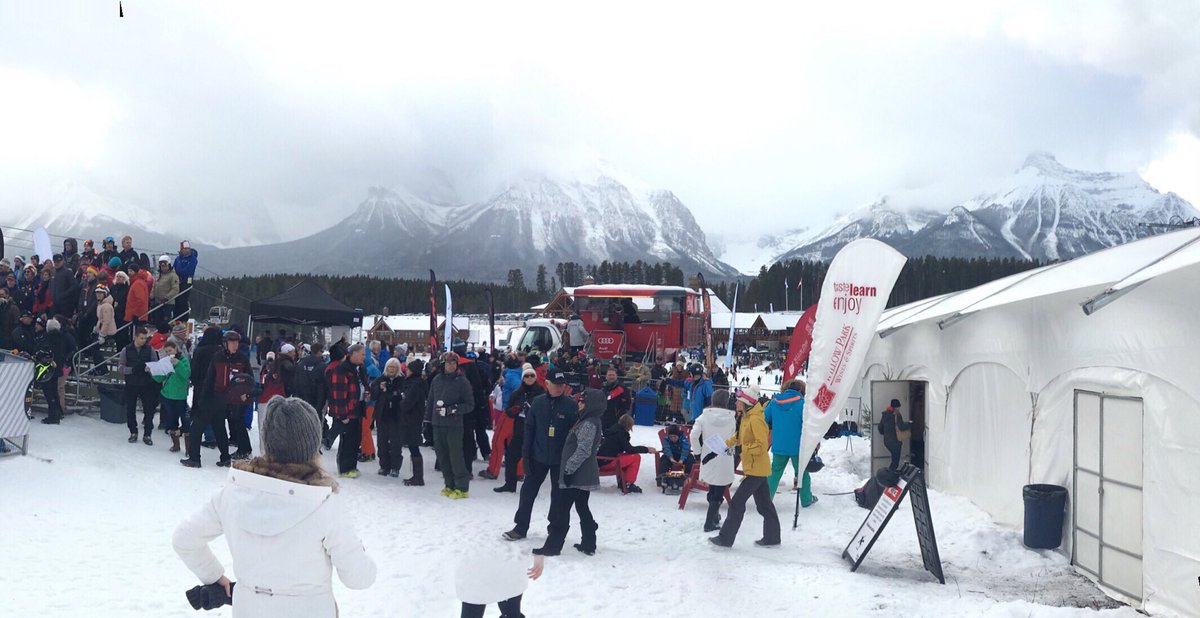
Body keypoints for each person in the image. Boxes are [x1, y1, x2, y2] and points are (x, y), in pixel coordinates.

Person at [173, 396, 377, 617]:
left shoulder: (232, 493)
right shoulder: (324, 503)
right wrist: (359, 549)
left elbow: (184, 539)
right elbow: (359, 578)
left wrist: (214, 576)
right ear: (312, 444)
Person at [503, 370, 576, 540]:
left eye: (562, 385)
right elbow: (529, 430)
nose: (559, 388)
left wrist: (571, 460)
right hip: (538, 456)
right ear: (547, 384)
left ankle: (554, 528)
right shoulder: (537, 403)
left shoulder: (570, 405)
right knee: (527, 492)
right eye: (556, 385)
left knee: (558, 496)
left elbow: (574, 435)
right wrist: (526, 457)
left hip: (560, 459)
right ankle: (520, 527)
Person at [537, 388, 605, 556]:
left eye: (583, 401)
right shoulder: (588, 420)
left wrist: (568, 470)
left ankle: (553, 546)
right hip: (582, 473)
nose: (579, 403)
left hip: (577, 475)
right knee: (582, 506)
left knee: (562, 509)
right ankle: (589, 543)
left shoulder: (588, 423)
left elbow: (583, 450)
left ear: (591, 404)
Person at [711, 387, 780, 548]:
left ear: (746, 403)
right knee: (765, 505)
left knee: (736, 503)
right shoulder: (746, 417)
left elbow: (761, 445)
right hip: (754, 468)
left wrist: (743, 449)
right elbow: (740, 437)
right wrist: (724, 444)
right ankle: (772, 537)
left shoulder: (756, 420)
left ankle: (725, 538)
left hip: (757, 469)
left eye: (738, 401)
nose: (735, 403)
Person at [426, 352, 474, 498]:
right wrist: (427, 421)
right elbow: (431, 400)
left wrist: (452, 410)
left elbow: (470, 405)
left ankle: (462, 487)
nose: (451, 366)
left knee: (455, 456)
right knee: (442, 456)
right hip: (437, 423)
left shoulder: (462, 381)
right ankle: (449, 484)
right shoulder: (436, 379)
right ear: (443, 364)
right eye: (449, 363)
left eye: (454, 363)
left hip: (454, 425)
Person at [181, 326, 230, 468]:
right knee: (220, 428)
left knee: (196, 427)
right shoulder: (222, 352)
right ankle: (225, 457)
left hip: (205, 393)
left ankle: (194, 458)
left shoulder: (201, 351)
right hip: (220, 394)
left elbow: (194, 371)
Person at [494, 367, 544, 493]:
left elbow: (545, 412)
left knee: (532, 460)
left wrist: (532, 411)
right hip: (519, 428)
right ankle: (510, 484)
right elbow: (508, 410)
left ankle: (531, 487)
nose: (529, 378)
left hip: (535, 430)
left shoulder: (540, 392)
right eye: (527, 376)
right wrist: (514, 410)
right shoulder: (517, 393)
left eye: (532, 376)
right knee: (511, 457)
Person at [764, 379, 814, 507]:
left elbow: (765, 418)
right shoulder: (803, 404)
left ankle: (766, 499)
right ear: (800, 390)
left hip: (779, 444)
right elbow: (808, 425)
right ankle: (806, 499)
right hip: (798, 446)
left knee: (774, 472)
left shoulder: (774, 402)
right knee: (802, 472)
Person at [692, 389, 737, 532]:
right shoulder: (731, 418)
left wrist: (698, 452)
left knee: (712, 486)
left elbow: (694, 435)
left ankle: (714, 517)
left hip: (708, 454)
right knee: (719, 490)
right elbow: (733, 438)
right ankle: (709, 522)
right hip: (725, 455)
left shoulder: (704, 416)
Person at [458, 554, 544, 618]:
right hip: (476, 566)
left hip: (508, 563)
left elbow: (532, 532)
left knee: (511, 614)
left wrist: (539, 554)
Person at [328, 343, 368, 478]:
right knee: (347, 441)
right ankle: (344, 469)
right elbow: (338, 394)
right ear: (354, 354)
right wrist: (342, 414)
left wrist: (366, 393)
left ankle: (352, 466)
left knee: (355, 440)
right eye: (363, 354)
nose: (364, 357)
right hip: (346, 412)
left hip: (358, 409)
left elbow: (362, 385)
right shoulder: (341, 369)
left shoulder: (359, 368)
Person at [119, 327, 160, 445]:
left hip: (147, 384)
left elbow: (155, 365)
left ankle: (147, 434)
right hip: (131, 383)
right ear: (135, 337)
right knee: (130, 409)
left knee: (149, 410)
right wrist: (132, 370)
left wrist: (149, 368)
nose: (143, 341)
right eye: (141, 338)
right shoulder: (126, 350)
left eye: (145, 338)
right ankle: (133, 432)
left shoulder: (150, 350)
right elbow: (121, 368)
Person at [597, 414, 656, 494]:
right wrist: (646, 449)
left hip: (602, 461)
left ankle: (624, 481)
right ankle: (628, 483)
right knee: (636, 457)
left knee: (628, 457)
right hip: (608, 462)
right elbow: (630, 449)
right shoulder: (620, 433)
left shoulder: (614, 430)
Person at [370, 358, 406, 478]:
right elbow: (373, 396)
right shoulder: (380, 380)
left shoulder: (402, 380)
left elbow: (403, 395)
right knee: (382, 442)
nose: (391, 369)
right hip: (382, 415)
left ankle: (395, 467)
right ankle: (384, 466)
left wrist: (393, 393)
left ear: (398, 369)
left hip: (397, 416)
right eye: (390, 367)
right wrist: (379, 389)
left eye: (394, 367)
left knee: (396, 443)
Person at [154, 339, 191, 453]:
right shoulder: (166, 361)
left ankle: (189, 448)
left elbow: (186, 375)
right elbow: (160, 378)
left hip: (180, 396)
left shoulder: (183, 360)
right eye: (167, 351)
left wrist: (178, 364)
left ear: (176, 349)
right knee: (171, 421)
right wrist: (152, 371)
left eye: (170, 350)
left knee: (185, 421)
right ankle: (176, 444)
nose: (169, 353)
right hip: (168, 395)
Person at [398, 359, 428, 486]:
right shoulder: (417, 382)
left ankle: (418, 477)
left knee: (413, 446)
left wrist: (401, 400)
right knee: (412, 445)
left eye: (408, 369)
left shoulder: (415, 384)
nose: (406, 371)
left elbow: (407, 403)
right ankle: (416, 476)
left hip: (412, 418)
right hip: (414, 417)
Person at [879, 398, 911, 470]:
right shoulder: (897, 415)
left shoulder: (884, 415)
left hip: (887, 441)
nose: (899, 408)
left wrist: (887, 433)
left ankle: (890, 474)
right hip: (895, 442)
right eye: (898, 407)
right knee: (895, 461)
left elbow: (880, 428)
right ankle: (890, 476)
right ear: (896, 407)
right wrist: (909, 424)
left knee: (894, 459)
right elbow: (901, 427)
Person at [151, 255, 180, 328]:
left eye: (165, 265)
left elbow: (175, 289)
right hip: (158, 302)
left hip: (168, 303)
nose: (163, 267)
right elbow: (154, 287)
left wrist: (167, 297)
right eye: (161, 265)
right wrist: (151, 297)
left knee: (165, 322)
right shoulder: (159, 275)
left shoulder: (173, 276)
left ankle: (166, 335)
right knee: (157, 321)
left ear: (169, 265)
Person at [173, 241, 198, 321]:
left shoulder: (192, 259)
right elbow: (174, 269)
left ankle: (184, 318)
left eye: (188, 248)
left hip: (187, 281)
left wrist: (179, 272)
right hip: (177, 281)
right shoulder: (178, 259)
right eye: (185, 249)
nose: (187, 250)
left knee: (183, 300)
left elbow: (189, 270)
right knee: (176, 300)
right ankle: (176, 318)